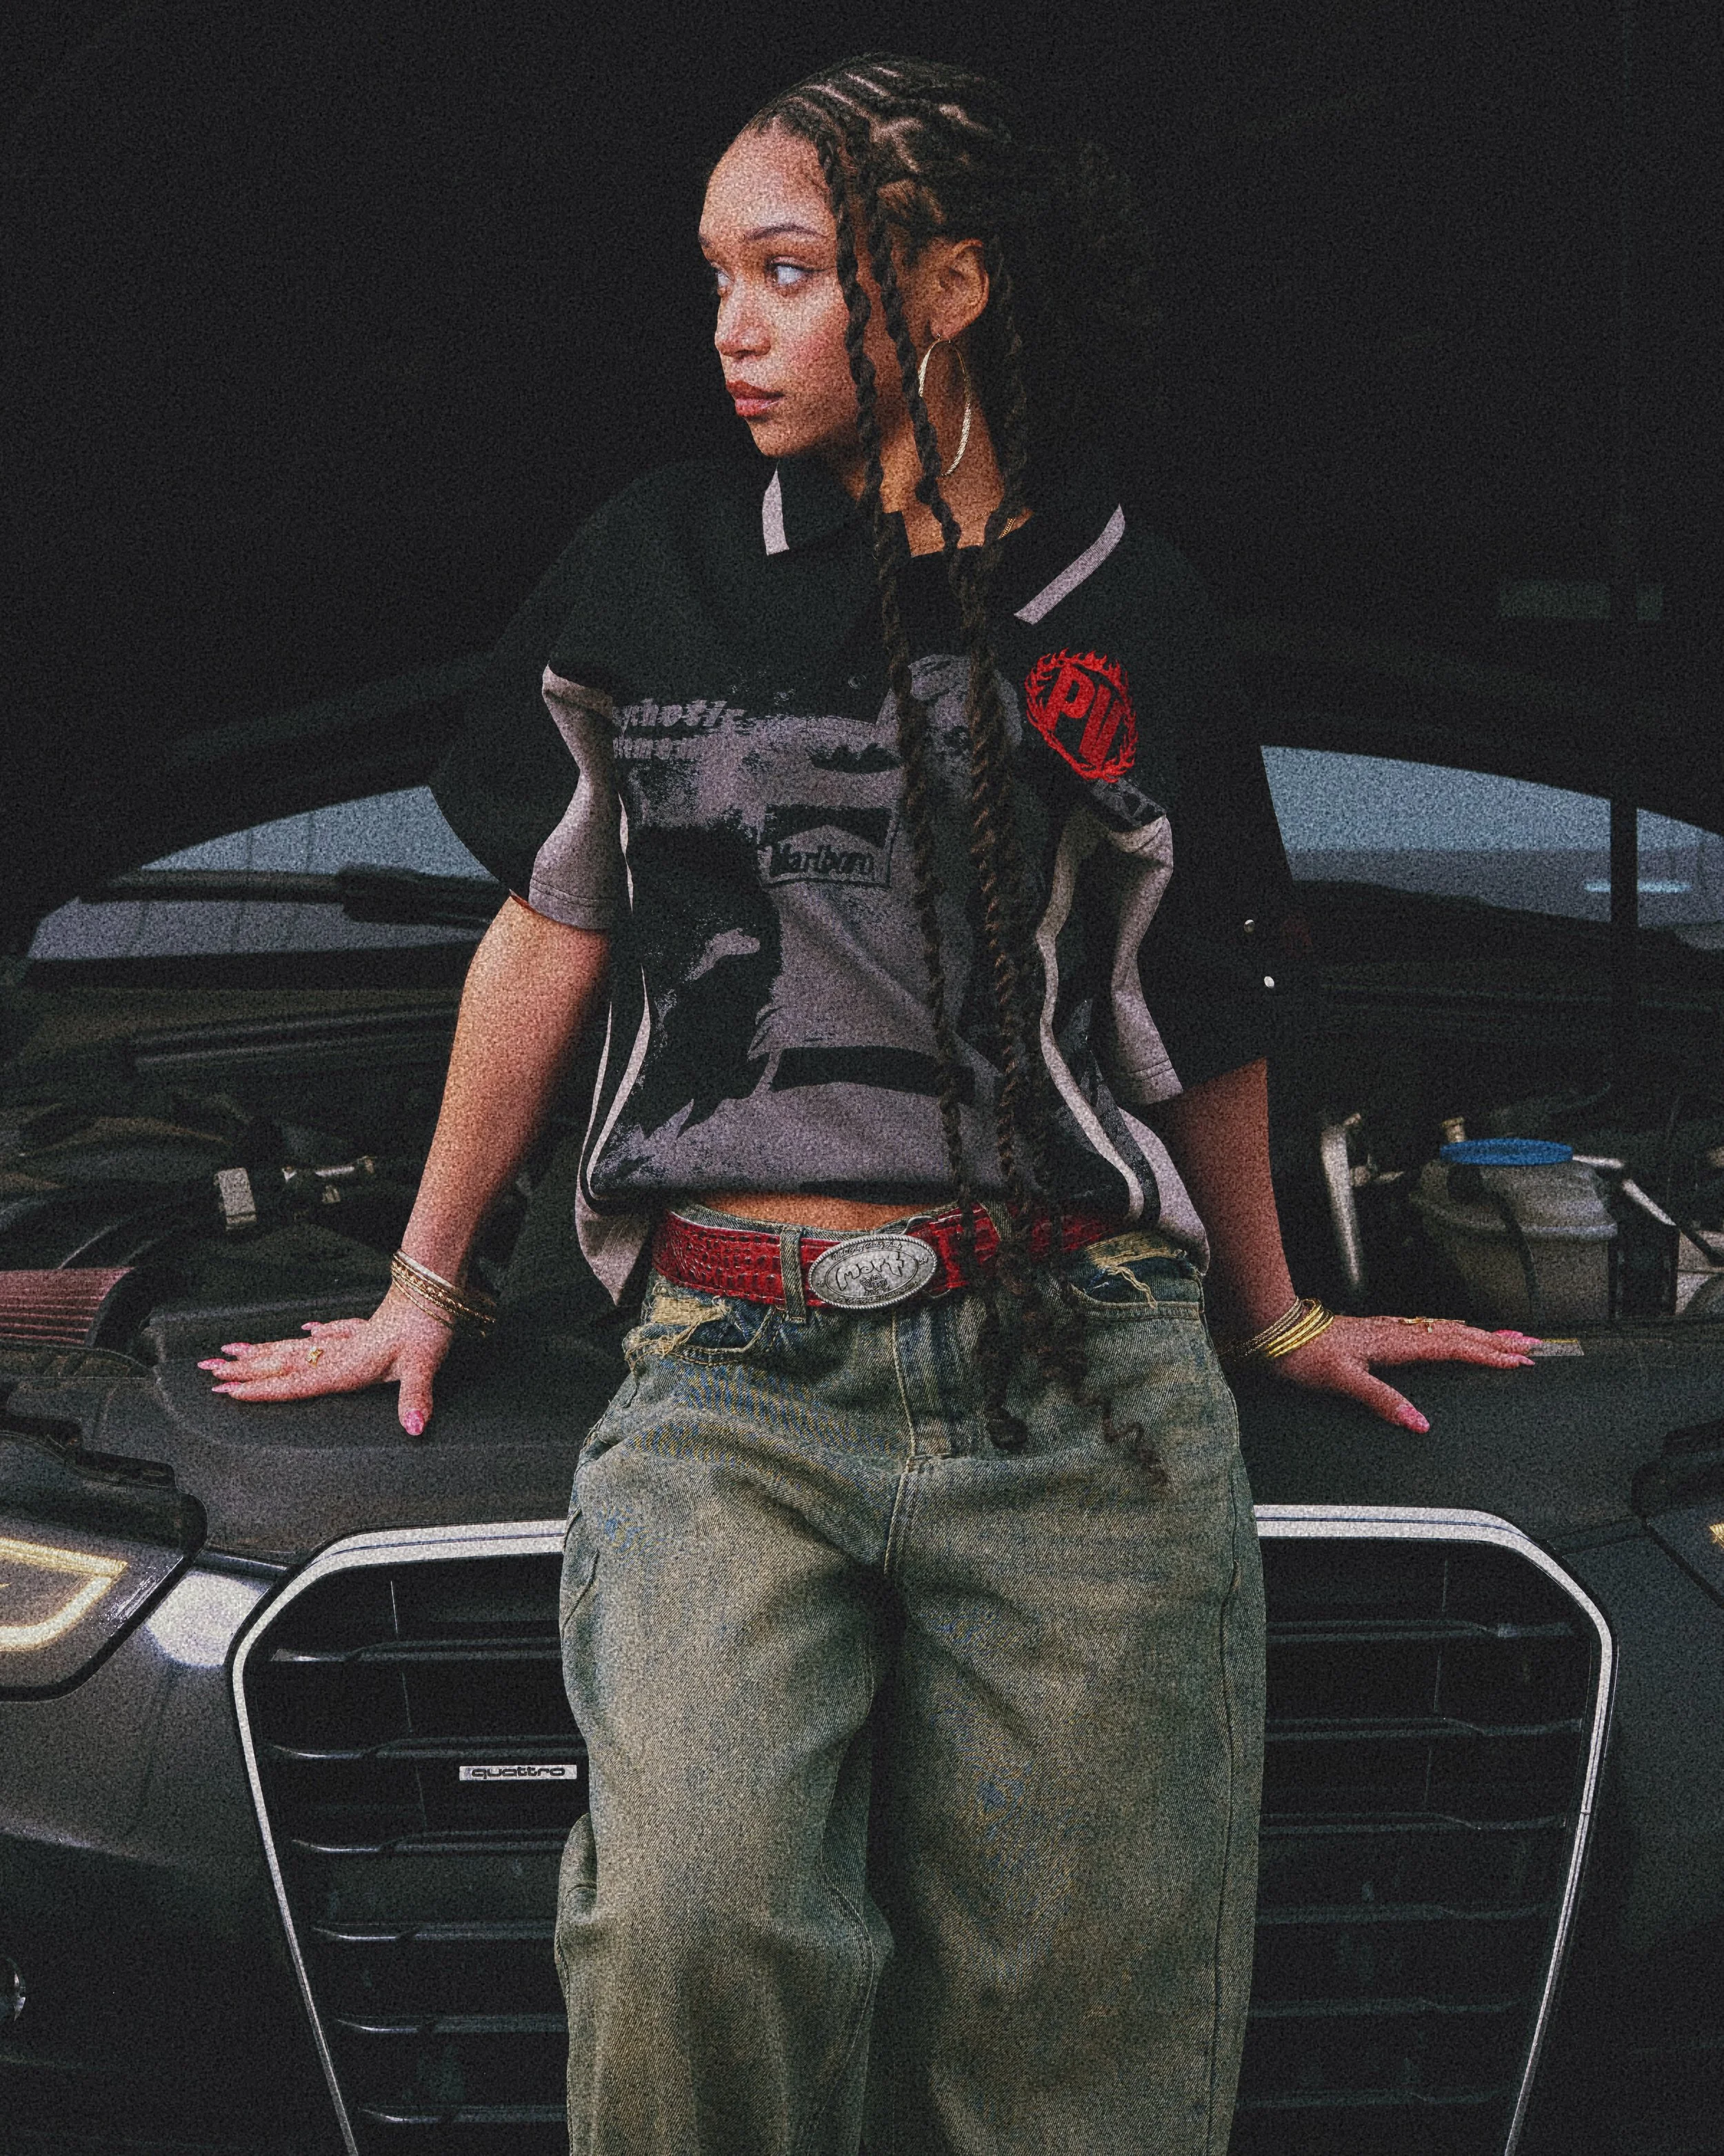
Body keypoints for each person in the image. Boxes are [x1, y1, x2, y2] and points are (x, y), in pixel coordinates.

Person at [203, 52, 1541, 2156]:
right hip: (728, 1376)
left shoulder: (1125, 599)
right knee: (688, 1931)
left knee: (1078, 2034)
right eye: (715, 279)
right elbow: (547, 933)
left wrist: (1273, 1309)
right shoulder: (650, 566)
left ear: (945, 287)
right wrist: (420, 1279)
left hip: (1078, 1378)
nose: (729, 329)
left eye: (786, 273)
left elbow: (1194, 998)